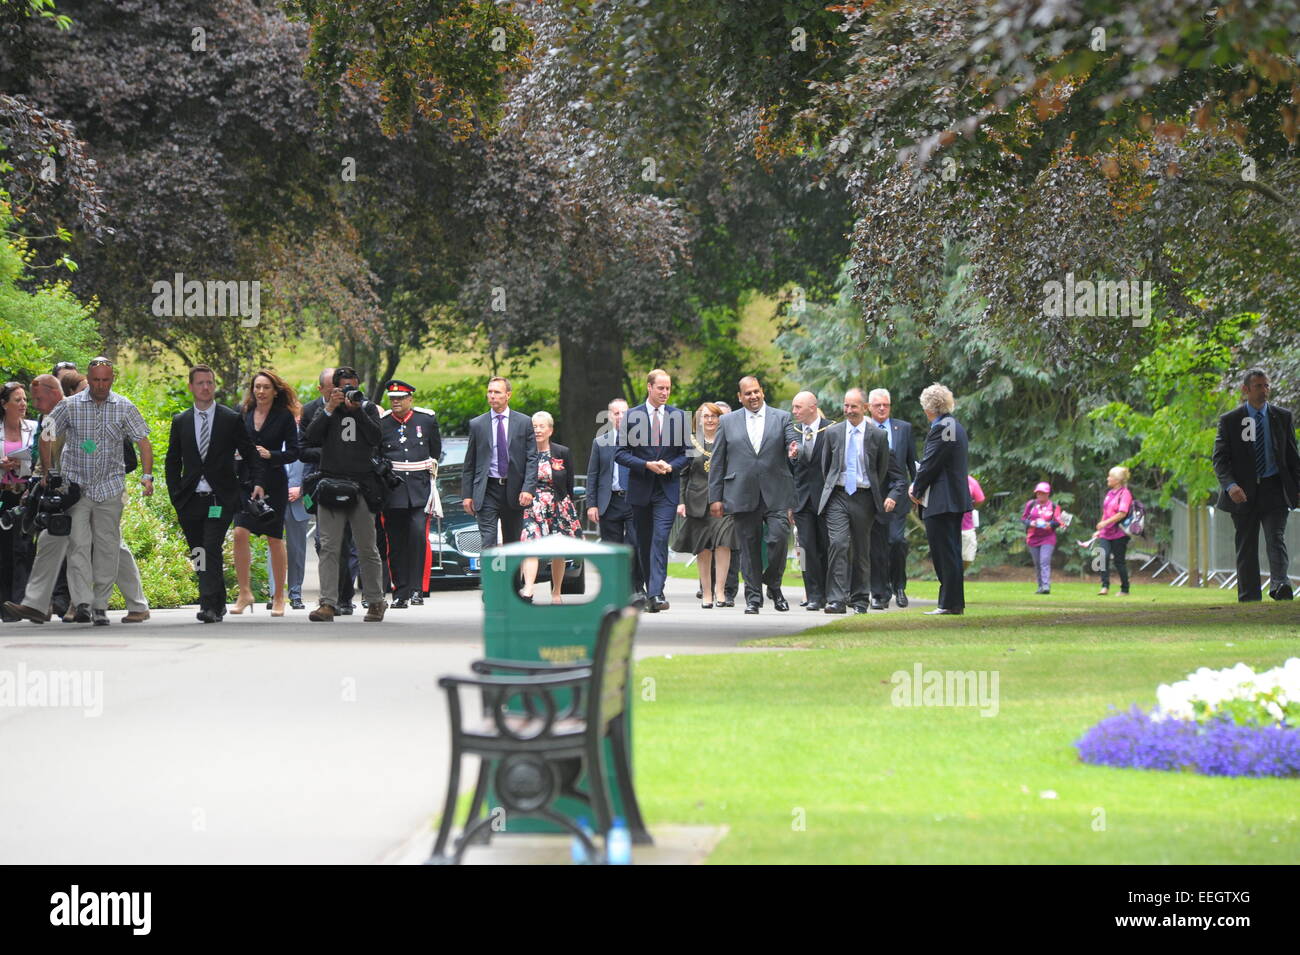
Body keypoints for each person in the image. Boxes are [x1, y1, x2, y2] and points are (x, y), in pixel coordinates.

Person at [36, 357, 152, 627]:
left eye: (106, 380)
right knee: (77, 544)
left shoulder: (124, 406)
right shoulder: (70, 406)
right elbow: (46, 435)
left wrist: (147, 476)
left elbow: (144, 442)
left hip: (110, 487)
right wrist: (48, 471)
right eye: (96, 380)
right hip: (76, 487)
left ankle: (100, 605)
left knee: (107, 548)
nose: (101, 385)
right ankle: (84, 603)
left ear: (113, 379)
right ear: (89, 378)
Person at [165, 365, 265, 623]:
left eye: (209, 382)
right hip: (190, 498)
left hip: (219, 497)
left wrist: (257, 481)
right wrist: (175, 493)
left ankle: (207, 604)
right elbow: (172, 460)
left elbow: (249, 452)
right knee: (198, 552)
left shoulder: (229, 418)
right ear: (191, 387)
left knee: (210, 547)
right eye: (200, 383)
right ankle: (217, 601)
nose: (205, 387)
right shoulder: (181, 421)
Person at [708, 376, 800, 614]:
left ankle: (774, 585)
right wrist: (715, 497)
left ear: (763, 392)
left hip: (777, 491)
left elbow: (793, 443)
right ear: (740, 397)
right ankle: (753, 598)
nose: (753, 396)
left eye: (756, 391)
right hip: (741, 492)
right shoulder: (727, 421)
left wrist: (794, 450)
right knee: (748, 548)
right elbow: (718, 461)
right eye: (747, 393)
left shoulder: (781, 417)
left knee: (779, 540)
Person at [305, 367, 387, 622]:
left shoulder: (369, 409)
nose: (350, 391)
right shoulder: (326, 410)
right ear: (334, 388)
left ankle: (375, 601)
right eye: (344, 387)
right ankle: (327, 603)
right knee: (329, 547)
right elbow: (311, 437)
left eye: (353, 385)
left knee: (366, 547)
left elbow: (376, 437)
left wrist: (359, 410)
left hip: (362, 486)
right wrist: (330, 408)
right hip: (330, 484)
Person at [1213, 368, 1300, 602]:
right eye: (1259, 386)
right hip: (1243, 492)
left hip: (1274, 488)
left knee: (1276, 537)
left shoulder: (1282, 417)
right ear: (1246, 390)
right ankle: (1249, 597)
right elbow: (1220, 459)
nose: (1264, 391)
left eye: (1267, 386)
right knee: (1246, 544)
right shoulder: (1231, 421)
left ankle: (1280, 586)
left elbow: (1293, 457)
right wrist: (1231, 486)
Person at [817, 388, 906, 614]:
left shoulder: (877, 435)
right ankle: (836, 599)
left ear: (864, 408)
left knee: (861, 549)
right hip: (838, 495)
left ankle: (859, 599)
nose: (849, 410)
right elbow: (826, 468)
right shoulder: (833, 433)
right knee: (838, 543)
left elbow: (882, 468)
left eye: (854, 406)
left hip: (864, 497)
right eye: (846, 406)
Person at [616, 369, 689, 612]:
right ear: (649, 387)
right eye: (661, 388)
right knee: (644, 542)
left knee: (660, 539)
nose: (665, 393)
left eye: (668, 388)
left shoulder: (678, 417)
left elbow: (686, 455)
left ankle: (657, 593)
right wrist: (646, 464)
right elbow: (620, 453)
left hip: (666, 490)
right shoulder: (631, 416)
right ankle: (647, 591)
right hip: (641, 489)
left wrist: (670, 466)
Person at [230, 370, 300, 616]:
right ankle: (244, 592)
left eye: (265, 387)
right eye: (257, 387)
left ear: (275, 391)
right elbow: (233, 441)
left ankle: (279, 596)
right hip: (246, 481)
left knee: (274, 538)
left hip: (273, 481)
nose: (260, 392)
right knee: (239, 532)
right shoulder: (244, 412)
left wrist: (272, 455)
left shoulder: (283, 417)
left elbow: (294, 451)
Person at [376, 380, 440, 608]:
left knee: (417, 538)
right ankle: (400, 592)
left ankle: (417, 590)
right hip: (392, 492)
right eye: (392, 398)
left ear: (410, 399)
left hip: (419, 490)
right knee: (395, 542)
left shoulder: (426, 420)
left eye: (400, 398)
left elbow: (435, 453)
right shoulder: (382, 423)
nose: (396, 402)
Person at [909, 383, 971, 616]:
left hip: (942, 500)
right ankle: (952, 602)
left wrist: (916, 488)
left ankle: (949, 603)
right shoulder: (954, 426)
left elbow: (931, 462)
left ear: (929, 407)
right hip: (951, 499)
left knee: (945, 552)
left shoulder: (945, 427)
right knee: (951, 552)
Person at [301, 367, 359, 614]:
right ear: (323, 388)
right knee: (324, 544)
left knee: (346, 544)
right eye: (332, 387)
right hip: (320, 482)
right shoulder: (310, 410)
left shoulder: (357, 406)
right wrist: (331, 454)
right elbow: (303, 448)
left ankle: (344, 596)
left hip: (351, 482)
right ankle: (330, 597)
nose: (339, 391)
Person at [461, 376, 536, 554]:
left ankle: (513, 582)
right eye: (490, 392)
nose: (492, 396)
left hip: (514, 489)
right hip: (487, 489)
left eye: (497, 392)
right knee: (488, 540)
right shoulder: (477, 424)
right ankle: (491, 582)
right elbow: (470, 462)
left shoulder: (524, 422)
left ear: (508, 395)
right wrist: (467, 495)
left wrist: (528, 489)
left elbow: (532, 458)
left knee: (513, 542)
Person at [672, 402, 736, 608]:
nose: (710, 420)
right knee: (704, 548)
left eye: (714, 416)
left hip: (724, 501)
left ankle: (721, 590)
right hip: (697, 502)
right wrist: (681, 502)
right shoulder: (691, 443)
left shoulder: (729, 441)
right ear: (699, 419)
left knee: (724, 544)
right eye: (706, 416)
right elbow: (683, 475)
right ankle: (707, 592)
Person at [520, 411, 581, 603]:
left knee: (558, 550)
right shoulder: (524, 452)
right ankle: (528, 589)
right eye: (534, 427)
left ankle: (556, 592)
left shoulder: (562, 452)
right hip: (532, 505)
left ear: (550, 430)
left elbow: (569, 483)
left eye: (541, 426)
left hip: (557, 506)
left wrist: (567, 505)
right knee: (530, 545)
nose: (537, 430)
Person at [586, 397, 643, 595]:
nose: (620, 416)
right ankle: (615, 590)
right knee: (612, 548)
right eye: (616, 413)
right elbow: (593, 475)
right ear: (610, 416)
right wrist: (591, 504)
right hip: (610, 501)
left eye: (624, 412)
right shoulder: (600, 442)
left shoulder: (639, 441)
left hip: (634, 500)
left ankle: (636, 587)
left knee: (636, 545)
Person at [867, 388, 917, 609]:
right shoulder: (864, 428)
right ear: (869, 407)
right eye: (877, 405)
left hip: (898, 494)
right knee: (877, 545)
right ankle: (882, 589)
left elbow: (911, 462)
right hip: (872, 496)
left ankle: (899, 586)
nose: (881, 408)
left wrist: (917, 489)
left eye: (885, 405)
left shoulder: (903, 428)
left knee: (896, 541)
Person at [0, 382, 38, 620]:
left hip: (26, 494)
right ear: (4, 405)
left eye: (25, 399)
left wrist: (25, 464)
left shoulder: (34, 428)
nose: (23, 404)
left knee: (23, 548)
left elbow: (43, 458)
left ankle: (20, 601)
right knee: (3, 549)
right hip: (3, 493)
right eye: (17, 400)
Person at [790, 391, 830, 611]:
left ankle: (829, 592)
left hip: (825, 498)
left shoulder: (831, 428)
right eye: (794, 407)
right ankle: (813, 594)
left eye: (798, 407)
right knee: (806, 549)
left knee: (827, 545)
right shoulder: (792, 432)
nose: (794, 411)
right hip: (801, 499)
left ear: (812, 407)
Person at [1094, 466, 1133, 596]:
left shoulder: (1125, 494)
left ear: (1117, 480)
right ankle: (1105, 586)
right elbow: (1106, 513)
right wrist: (1101, 528)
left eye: (1110, 476)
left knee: (1119, 561)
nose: (1108, 478)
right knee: (1102, 557)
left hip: (1119, 533)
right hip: (1106, 532)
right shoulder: (1109, 493)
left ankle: (1125, 589)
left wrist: (1105, 522)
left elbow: (1122, 513)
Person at [1022, 481, 1062, 594]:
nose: (1040, 495)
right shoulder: (1031, 504)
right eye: (1038, 493)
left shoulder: (1054, 506)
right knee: (1037, 563)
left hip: (1048, 538)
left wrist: (1051, 524)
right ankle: (1040, 586)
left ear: (1048, 494)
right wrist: (1031, 523)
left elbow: (1059, 522)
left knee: (1044, 560)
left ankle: (1046, 586)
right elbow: (1024, 519)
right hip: (1033, 537)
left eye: (1043, 493)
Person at [962, 474, 986, 570]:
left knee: (968, 557)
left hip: (966, 526)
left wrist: (969, 507)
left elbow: (980, 499)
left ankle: (958, 574)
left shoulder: (970, 481)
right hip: (947, 527)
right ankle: (950, 578)